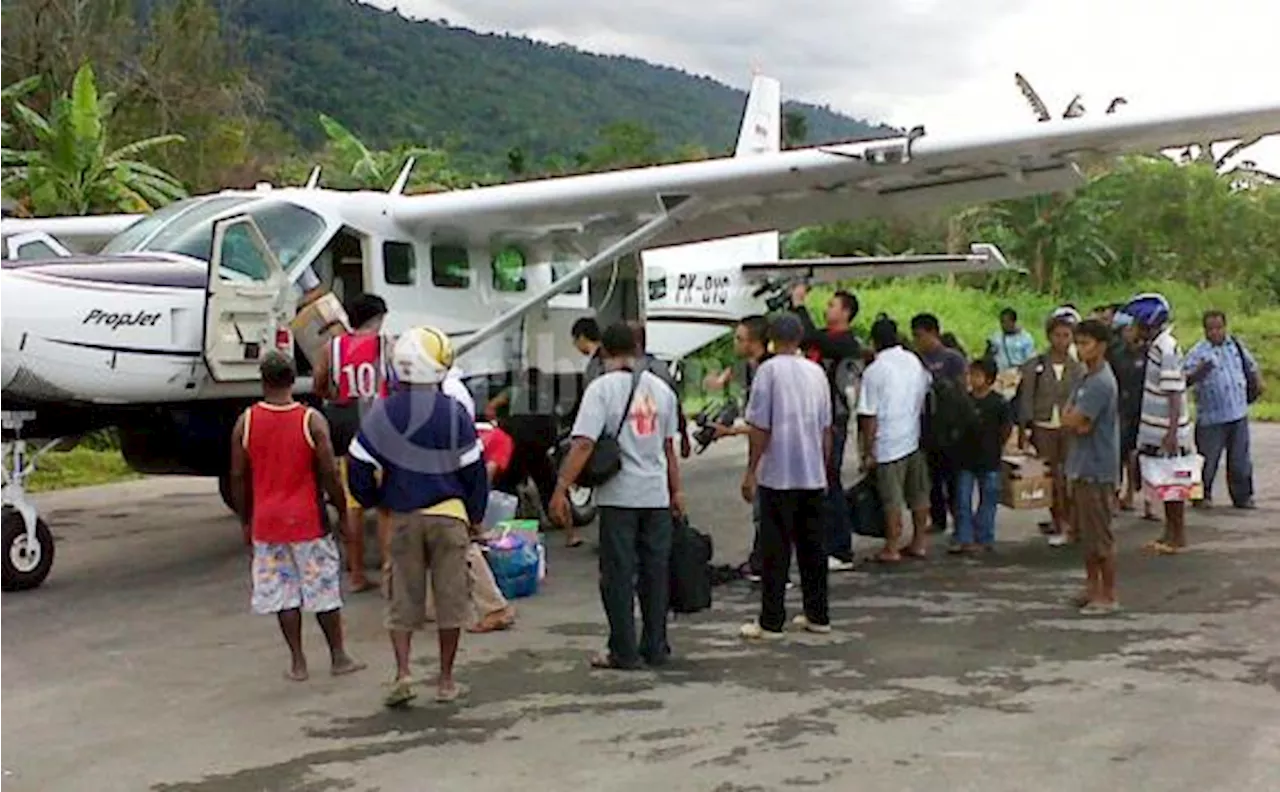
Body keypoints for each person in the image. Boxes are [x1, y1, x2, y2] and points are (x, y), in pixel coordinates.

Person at [347, 326, 489, 707]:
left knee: (402, 601)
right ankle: (445, 681)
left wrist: (377, 500)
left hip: (405, 515)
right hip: (450, 517)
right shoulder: (455, 412)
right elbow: (475, 472)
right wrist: (475, 517)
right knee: (450, 600)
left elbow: (358, 466)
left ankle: (403, 673)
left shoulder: (383, 412)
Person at [551, 321, 684, 669]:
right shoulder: (662, 390)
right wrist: (677, 491)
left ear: (605, 351)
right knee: (656, 574)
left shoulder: (601, 389)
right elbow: (668, 448)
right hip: (655, 496)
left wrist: (561, 488)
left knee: (618, 575)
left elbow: (583, 444)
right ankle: (656, 646)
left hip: (619, 497)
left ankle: (623, 650)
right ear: (638, 350)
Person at [228, 351, 366, 682]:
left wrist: (246, 519)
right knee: (322, 590)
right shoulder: (311, 420)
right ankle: (338, 657)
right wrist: (342, 510)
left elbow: (237, 476)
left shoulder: (245, 422)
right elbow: (329, 471)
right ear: (293, 380)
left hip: (268, 521)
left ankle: (298, 661)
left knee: (283, 593)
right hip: (307, 519)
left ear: (262, 381)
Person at [739, 314, 833, 640]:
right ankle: (818, 614)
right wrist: (822, 466)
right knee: (813, 548)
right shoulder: (816, 372)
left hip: (778, 472)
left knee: (775, 549)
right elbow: (826, 428)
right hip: (812, 473)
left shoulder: (768, 372)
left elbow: (760, 427)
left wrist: (751, 470)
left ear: (770, 339)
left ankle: (771, 620)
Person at [312, 293, 392, 593]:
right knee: (386, 504)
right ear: (378, 318)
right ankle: (388, 573)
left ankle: (357, 573)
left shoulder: (331, 348)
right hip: (379, 423)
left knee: (352, 504)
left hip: (344, 424)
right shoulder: (385, 345)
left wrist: (334, 396)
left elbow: (320, 382)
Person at [789, 285, 863, 572]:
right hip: (815, 417)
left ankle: (841, 547)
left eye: (832, 305)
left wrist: (798, 305)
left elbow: (808, 336)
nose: (827, 308)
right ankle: (823, 541)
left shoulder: (845, 343)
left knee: (830, 480)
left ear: (846, 312)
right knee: (818, 482)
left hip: (833, 420)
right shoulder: (826, 338)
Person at [705, 315, 775, 582]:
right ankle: (761, 561)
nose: (735, 343)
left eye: (740, 338)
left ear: (755, 342)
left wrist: (730, 432)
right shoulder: (752, 367)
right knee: (764, 513)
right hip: (761, 449)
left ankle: (766, 565)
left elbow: (765, 425)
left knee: (767, 513)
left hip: (771, 454)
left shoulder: (766, 373)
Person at [858, 316, 933, 562]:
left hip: (888, 443)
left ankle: (892, 546)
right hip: (913, 436)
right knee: (918, 493)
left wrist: (868, 451)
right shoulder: (913, 361)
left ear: (874, 342)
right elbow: (924, 391)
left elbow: (869, 416)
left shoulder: (874, 371)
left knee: (892, 498)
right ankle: (919, 541)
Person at [1124, 292, 1194, 555]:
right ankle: (1169, 533)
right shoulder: (1156, 346)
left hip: (1167, 429)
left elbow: (1174, 392)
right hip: (1157, 428)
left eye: (1135, 323)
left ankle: (1177, 535)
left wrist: (1172, 431)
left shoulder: (1166, 348)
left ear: (1148, 322)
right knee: (1165, 483)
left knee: (1173, 483)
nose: (1131, 328)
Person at [1062, 319, 1121, 614]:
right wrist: (1073, 419)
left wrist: (1074, 419)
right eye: (1079, 343)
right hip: (1081, 465)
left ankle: (1108, 594)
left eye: (1086, 343)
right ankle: (1091, 587)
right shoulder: (1085, 377)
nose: (1080, 348)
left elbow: (1079, 422)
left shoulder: (1101, 382)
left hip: (1098, 467)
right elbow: (1067, 416)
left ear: (1101, 345)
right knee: (1087, 535)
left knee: (1100, 535)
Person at [1183, 309, 1262, 510]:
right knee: (1206, 461)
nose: (1215, 332)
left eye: (1219, 328)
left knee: (1240, 460)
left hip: (1237, 412)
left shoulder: (1235, 346)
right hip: (1211, 417)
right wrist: (1199, 372)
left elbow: (1251, 366)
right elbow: (1183, 380)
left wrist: (1258, 384)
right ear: (1204, 330)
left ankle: (1243, 497)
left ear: (1225, 327)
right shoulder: (1198, 352)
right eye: (1211, 329)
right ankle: (1200, 495)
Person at [1016, 314, 1084, 546]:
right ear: (1049, 336)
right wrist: (1025, 430)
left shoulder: (1079, 368)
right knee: (1051, 476)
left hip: (1069, 427)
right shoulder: (1035, 365)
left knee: (1070, 476)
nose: (1062, 340)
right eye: (1058, 335)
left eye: (1067, 336)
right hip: (1043, 425)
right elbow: (1026, 399)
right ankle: (1059, 520)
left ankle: (1074, 522)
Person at [910, 313, 966, 535]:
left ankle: (959, 519)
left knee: (953, 479)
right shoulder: (916, 359)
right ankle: (938, 518)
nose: (918, 341)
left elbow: (962, 389)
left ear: (933, 333)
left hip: (949, 425)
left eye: (920, 336)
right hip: (926, 426)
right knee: (930, 478)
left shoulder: (952, 359)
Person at [950, 357, 1013, 555]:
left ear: (989, 379)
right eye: (971, 374)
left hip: (989, 457)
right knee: (962, 500)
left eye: (977, 375)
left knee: (989, 500)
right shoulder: (963, 401)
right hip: (965, 457)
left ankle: (984, 537)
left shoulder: (998, 403)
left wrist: (998, 445)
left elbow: (1006, 428)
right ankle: (965, 538)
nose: (972, 379)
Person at [629, 320, 693, 459]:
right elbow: (675, 401)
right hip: (656, 436)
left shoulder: (624, 370)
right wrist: (684, 435)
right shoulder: (660, 366)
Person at [1110, 313, 1147, 512]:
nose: (1129, 333)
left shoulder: (1148, 353)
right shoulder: (1115, 353)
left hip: (1141, 408)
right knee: (1118, 454)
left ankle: (1132, 493)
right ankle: (1115, 496)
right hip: (1121, 408)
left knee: (1136, 456)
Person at [986, 307, 1037, 373]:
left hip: (1019, 373)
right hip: (1001, 373)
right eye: (1002, 322)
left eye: (1007, 322)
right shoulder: (996, 338)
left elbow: (1031, 360)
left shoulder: (1025, 338)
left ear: (1014, 322)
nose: (1004, 325)